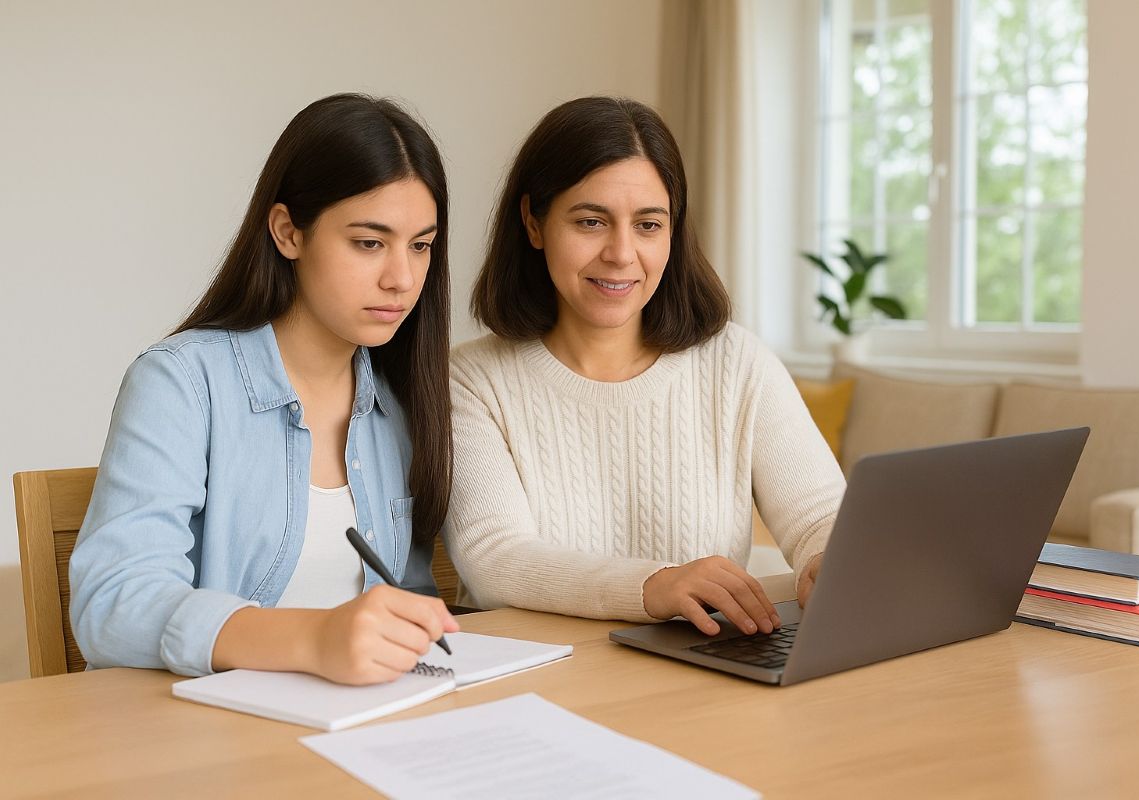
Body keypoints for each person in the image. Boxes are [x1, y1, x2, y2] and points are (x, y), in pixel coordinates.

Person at [70, 94, 458, 684]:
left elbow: (407, 605)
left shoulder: (401, 406)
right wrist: (313, 637)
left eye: (421, 245)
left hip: (363, 732)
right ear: (287, 232)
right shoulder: (181, 383)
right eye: (369, 242)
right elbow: (112, 605)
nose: (402, 278)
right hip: (210, 748)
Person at [445, 97, 846, 637]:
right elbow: (495, 559)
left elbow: (821, 512)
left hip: (705, 676)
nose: (621, 253)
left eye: (648, 225)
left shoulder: (736, 361)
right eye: (591, 221)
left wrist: (827, 559)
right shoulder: (470, 380)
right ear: (533, 224)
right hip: (537, 683)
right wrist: (655, 585)